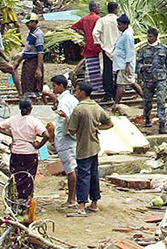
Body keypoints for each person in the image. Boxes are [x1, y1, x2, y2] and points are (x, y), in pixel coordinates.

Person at [66, 81, 113, 217]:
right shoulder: (96, 107)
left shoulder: (78, 109)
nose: (75, 92)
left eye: (77, 90)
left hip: (83, 147)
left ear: (82, 92)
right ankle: (94, 203)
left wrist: (66, 118)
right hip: (95, 145)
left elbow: (72, 130)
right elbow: (109, 123)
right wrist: (97, 128)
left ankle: (81, 205)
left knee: (83, 175)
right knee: (94, 174)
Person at [0, 96, 49, 210]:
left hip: (16, 152)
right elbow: (46, 135)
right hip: (30, 152)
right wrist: (38, 145)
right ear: (31, 108)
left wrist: (12, 134)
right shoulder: (34, 121)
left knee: (16, 177)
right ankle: (25, 202)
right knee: (28, 178)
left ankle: (13, 200)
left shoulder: (13, 119)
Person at [45, 75, 79, 208]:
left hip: (65, 138)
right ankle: (75, 195)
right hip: (72, 137)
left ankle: (71, 199)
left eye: (54, 86)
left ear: (61, 86)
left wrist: (65, 119)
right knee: (74, 167)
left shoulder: (64, 102)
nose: (53, 88)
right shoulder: (72, 99)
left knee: (70, 169)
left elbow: (65, 115)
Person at [136, 27, 167, 133]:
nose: (149, 38)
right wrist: (141, 68)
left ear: (156, 37)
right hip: (148, 80)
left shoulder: (163, 48)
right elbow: (138, 63)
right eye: (147, 36)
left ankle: (162, 125)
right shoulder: (144, 50)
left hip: (160, 79)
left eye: (151, 36)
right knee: (147, 102)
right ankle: (147, 118)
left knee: (161, 101)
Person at [72, 1, 103, 98]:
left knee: (90, 69)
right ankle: (99, 88)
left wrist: (84, 34)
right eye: (99, 7)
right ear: (95, 8)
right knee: (99, 69)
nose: (100, 9)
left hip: (88, 46)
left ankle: (92, 88)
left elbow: (74, 27)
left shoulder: (85, 19)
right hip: (97, 47)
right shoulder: (98, 19)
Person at [93, 2, 121, 101]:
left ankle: (108, 93)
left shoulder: (102, 20)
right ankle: (117, 92)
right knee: (118, 72)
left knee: (107, 71)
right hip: (118, 49)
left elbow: (95, 33)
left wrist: (100, 43)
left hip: (106, 49)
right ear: (116, 9)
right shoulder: (119, 20)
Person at [111, 14, 139, 103]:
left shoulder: (128, 36)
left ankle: (116, 104)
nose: (118, 26)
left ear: (125, 24)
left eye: (119, 24)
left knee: (120, 85)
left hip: (124, 64)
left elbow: (129, 51)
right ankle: (145, 99)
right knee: (131, 82)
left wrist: (127, 65)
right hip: (121, 64)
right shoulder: (124, 34)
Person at [20, 15, 45, 97]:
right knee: (27, 83)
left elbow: (40, 51)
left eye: (29, 22)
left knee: (32, 84)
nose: (27, 24)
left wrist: (39, 67)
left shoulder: (38, 34)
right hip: (28, 62)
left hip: (33, 62)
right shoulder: (31, 33)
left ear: (35, 22)